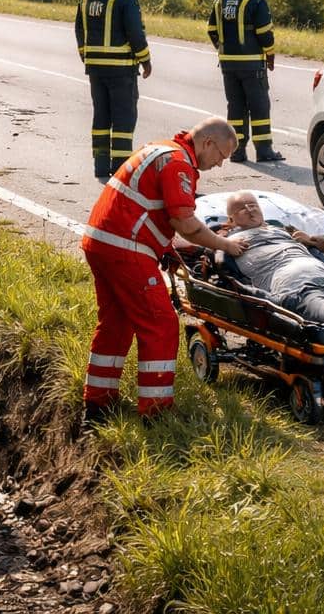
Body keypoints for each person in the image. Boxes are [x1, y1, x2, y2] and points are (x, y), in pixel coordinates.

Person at [80, 117, 245, 424]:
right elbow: (185, 224)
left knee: (116, 323)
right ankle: (156, 413)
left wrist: (165, 249)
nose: (220, 164)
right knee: (161, 323)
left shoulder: (162, 150)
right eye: (221, 156)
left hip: (102, 242)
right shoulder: (178, 163)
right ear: (207, 143)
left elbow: (147, 209)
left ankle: (97, 407)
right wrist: (223, 244)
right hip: (125, 248)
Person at [213, 192, 324, 323]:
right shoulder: (227, 242)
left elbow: (323, 249)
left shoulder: (281, 230)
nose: (250, 210)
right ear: (230, 219)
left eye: (253, 205)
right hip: (295, 288)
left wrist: (310, 241)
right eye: (242, 209)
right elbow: (217, 259)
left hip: (322, 274)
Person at [75, 0, 152, 179]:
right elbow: (135, 32)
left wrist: (85, 55)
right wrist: (145, 60)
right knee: (123, 117)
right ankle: (120, 168)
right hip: (121, 69)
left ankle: (100, 164)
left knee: (101, 116)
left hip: (96, 69)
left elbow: (79, 28)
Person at [207, 0, 284, 163]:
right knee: (259, 105)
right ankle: (264, 150)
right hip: (252, 64)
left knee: (236, 106)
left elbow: (212, 29)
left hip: (228, 65)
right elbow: (264, 33)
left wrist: (224, 49)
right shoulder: (256, 0)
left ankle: (237, 151)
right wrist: (269, 54)